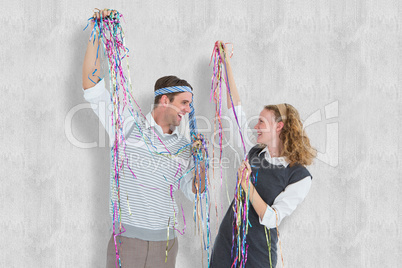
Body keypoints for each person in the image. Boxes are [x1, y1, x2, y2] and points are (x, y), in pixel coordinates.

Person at [82, 9, 206, 268]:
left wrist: (202, 163)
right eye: (184, 103)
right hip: (129, 242)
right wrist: (96, 32)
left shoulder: (184, 148)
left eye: (190, 105)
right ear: (164, 100)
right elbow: (92, 85)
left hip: (168, 244)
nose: (188, 110)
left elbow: (195, 192)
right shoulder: (127, 124)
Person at [210, 42, 316, 268]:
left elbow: (271, 219)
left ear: (279, 127)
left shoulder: (299, 176)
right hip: (226, 245)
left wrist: (247, 186)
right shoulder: (254, 150)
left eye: (261, 122)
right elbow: (235, 109)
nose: (256, 126)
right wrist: (226, 61)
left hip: (258, 256)